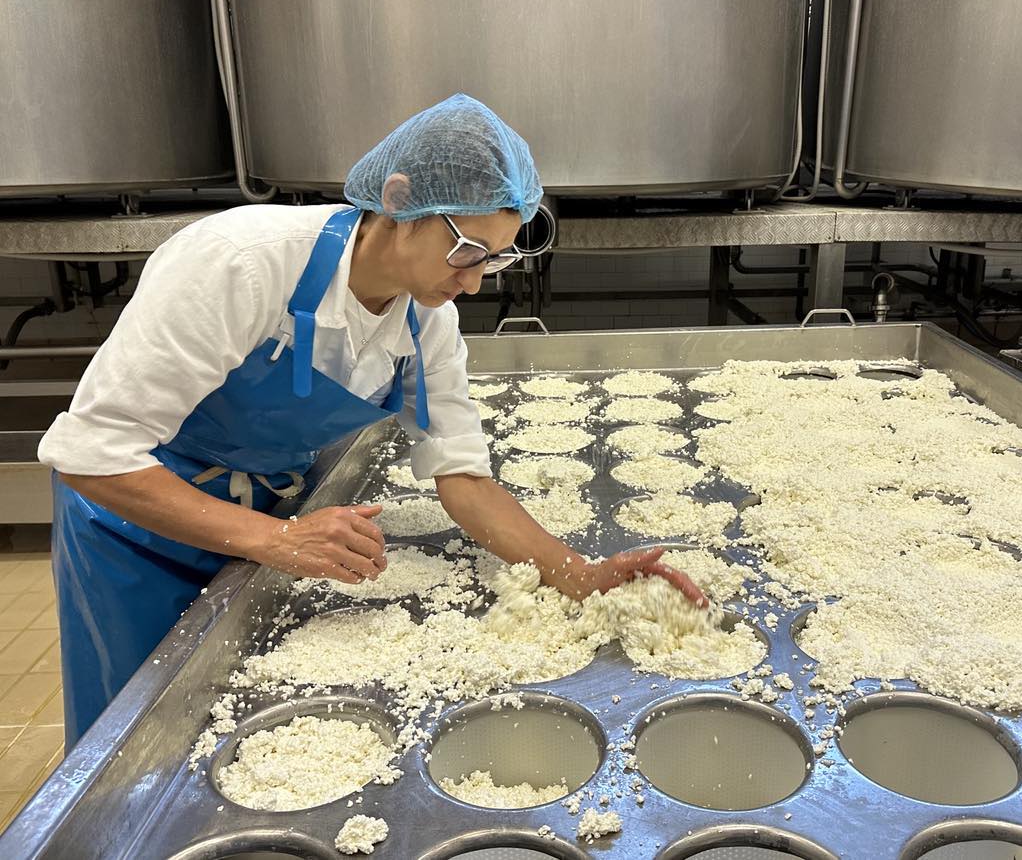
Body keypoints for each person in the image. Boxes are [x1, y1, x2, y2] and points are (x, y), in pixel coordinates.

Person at [38, 94, 704, 749]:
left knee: (224, 734)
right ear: (398, 201)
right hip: (136, 534)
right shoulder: (241, 262)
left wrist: (578, 575)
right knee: (140, 745)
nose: (475, 282)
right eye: (468, 250)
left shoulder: (426, 320)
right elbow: (92, 453)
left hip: (270, 515)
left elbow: (463, 477)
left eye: (496, 258)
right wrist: (274, 538)